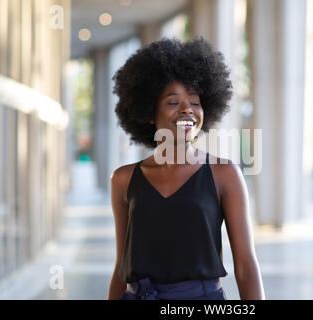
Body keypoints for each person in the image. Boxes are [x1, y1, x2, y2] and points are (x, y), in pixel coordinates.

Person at [107, 37, 265, 300]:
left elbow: (246, 266)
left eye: (195, 102)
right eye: (172, 102)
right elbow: (121, 266)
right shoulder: (123, 179)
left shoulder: (224, 174)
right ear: (148, 112)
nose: (187, 110)